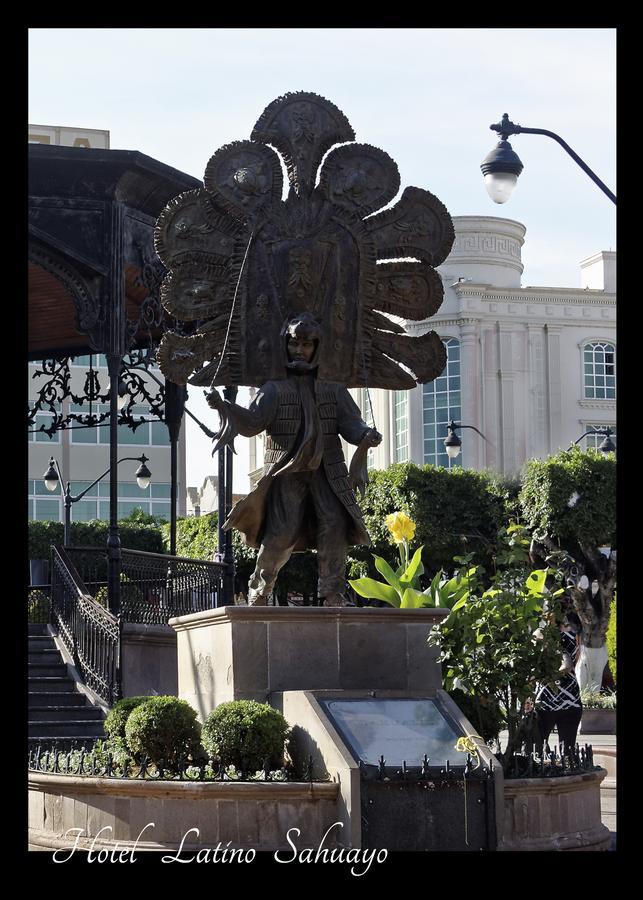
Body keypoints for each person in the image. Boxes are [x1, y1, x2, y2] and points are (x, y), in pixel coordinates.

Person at [207, 312, 382, 607]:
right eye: (294, 344)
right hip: (287, 470)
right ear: (284, 345)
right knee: (281, 533)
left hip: (329, 470)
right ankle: (260, 590)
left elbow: (351, 424)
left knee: (335, 524)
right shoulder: (274, 390)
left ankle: (332, 593)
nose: (300, 351)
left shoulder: (333, 390)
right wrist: (224, 407)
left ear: (318, 347)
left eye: (306, 345)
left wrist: (367, 434)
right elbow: (252, 423)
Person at [534, 618, 583, 755]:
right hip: (572, 698)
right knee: (568, 753)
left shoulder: (540, 633)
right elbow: (576, 660)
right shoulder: (577, 634)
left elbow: (534, 664)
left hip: (546, 699)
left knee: (536, 751)